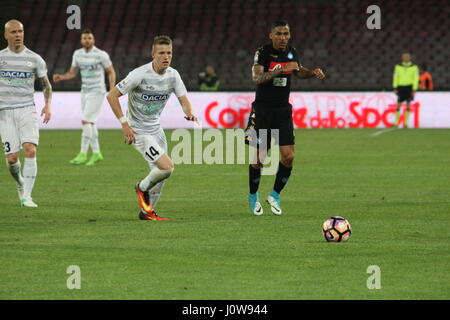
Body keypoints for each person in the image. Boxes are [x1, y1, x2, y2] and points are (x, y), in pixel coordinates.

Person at [107, 35, 197, 221]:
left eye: (169, 53)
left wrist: (189, 112)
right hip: (138, 131)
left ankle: (147, 212)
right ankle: (141, 187)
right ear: (153, 54)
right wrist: (124, 124)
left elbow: (184, 100)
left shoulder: (173, 75)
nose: (166, 57)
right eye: (162, 53)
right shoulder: (139, 74)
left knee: (160, 175)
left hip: (157, 130)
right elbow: (112, 96)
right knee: (167, 167)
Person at [245, 20, 324, 216]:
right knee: (258, 159)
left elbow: (298, 70)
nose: (283, 38)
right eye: (279, 34)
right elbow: (256, 78)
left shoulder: (291, 51)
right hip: (262, 111)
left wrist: (312, 73)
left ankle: (275, 195)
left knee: (288, 157)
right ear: (271, 35)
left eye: (286, 34)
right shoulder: (262, 53)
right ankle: (253, 196)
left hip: (282, 112)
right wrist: (280, 69)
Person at [0, 20, 52, 207]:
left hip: (26, 109)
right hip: (4, 112)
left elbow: (46, 84)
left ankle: (27, 196)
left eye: (20, 31)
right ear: (6, 35)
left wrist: (47, 105)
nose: (18, 35)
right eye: (13, 32)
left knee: (30, 148)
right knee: (12, 158)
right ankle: (21, 184)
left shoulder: (35, 58)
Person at [53, 29, 116, 166]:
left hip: (97, 91)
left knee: (86, 121)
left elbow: (111, 72)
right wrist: (62, 77)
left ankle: (82, 153)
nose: (87, 40)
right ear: (81, 40)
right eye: (84, 38)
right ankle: (97, 153)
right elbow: (72, 73)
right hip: (85, 91)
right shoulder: (78, 54)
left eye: (89, 38)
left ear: (93, 40)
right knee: (91, 123)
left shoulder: (101, 54)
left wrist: (112, 90)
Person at [392, 52, 419, 128]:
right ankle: (396, 123)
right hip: (400, 87)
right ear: (402, 58)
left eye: (407, 57)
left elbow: (415, 78)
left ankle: (405, 123)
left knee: (408, 105)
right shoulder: (398, 66)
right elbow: (395, 77)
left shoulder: (414, 67)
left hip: (409, 87)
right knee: (398, 104)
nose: (406, 58)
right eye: (404, 57)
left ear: (410, 57)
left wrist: (414, 89)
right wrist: (395, 87)